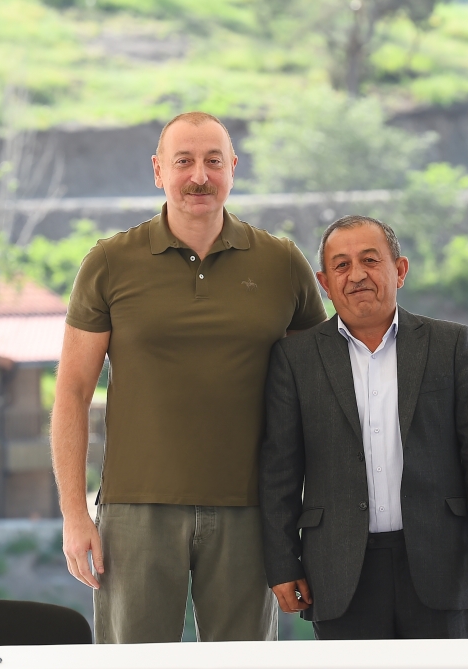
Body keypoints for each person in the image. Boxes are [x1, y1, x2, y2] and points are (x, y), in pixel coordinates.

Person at [50, 111, 328, 643]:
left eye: (212, 161)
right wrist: (74, 515)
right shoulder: (109, 262)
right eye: (184, 161)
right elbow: (73, 392)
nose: (199, 176)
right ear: (158, 170)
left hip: (251, 509)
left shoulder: (281, 263)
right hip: (135, 510)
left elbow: (320, 387)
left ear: (233, 168)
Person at [259, 215, 468, 640]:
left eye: (370, 260)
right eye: (341, 265)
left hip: (442, 558)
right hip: (337, 568)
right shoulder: (295, 359)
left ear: (399, 270)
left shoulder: (450, 344)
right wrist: (283, 563)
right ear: (324, 283)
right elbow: (279, 471)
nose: (356, 275)